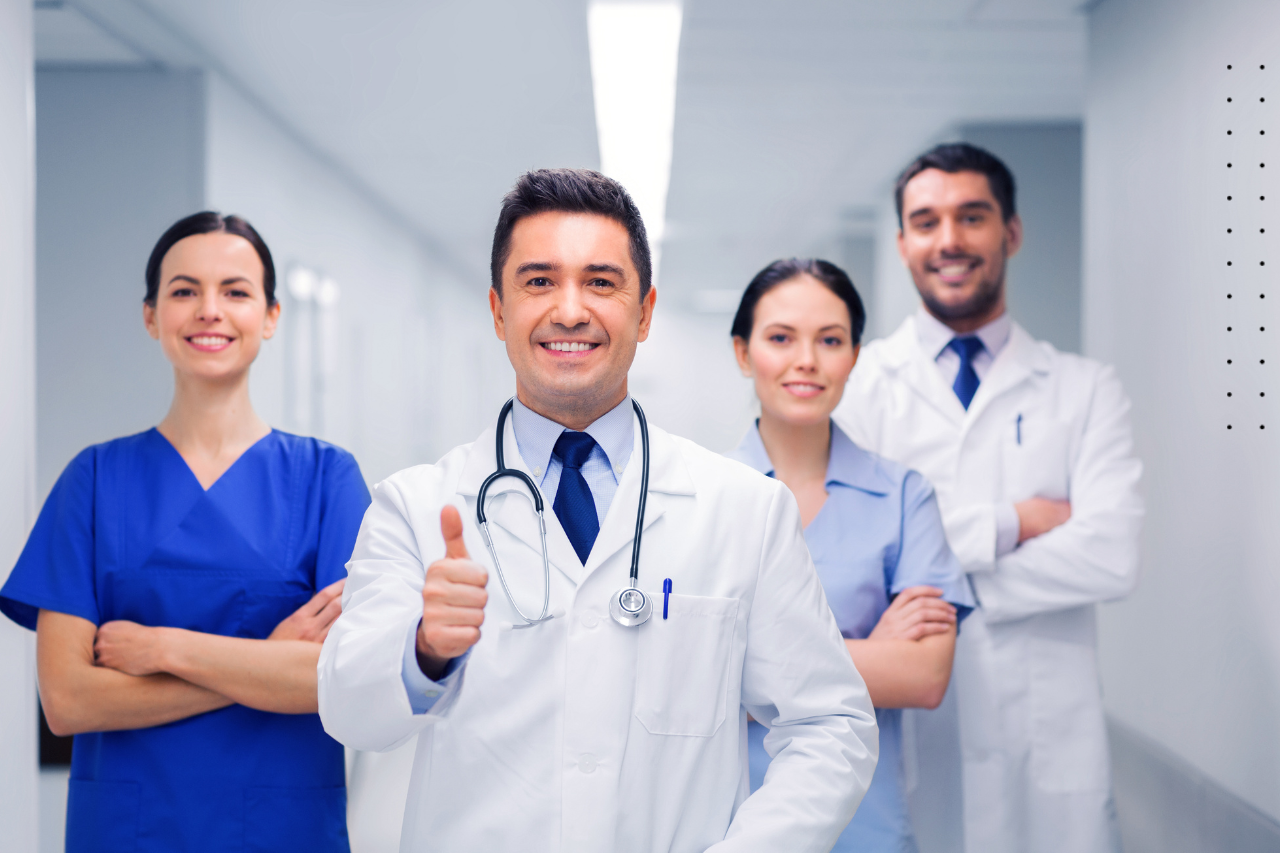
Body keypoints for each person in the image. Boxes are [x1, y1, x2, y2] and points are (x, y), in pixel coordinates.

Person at [318, 168, 878, 852]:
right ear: (498, 311)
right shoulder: (415, 506)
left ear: (644, 312)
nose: (571, 309)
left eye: (602, 282)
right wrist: (425, 649)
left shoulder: (745, 511)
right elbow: (349, 712)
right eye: (539, 281)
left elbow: (831, 726)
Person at [0, 212, 371, 853]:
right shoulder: (93, 480)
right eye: (183, 291)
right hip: (127, 831)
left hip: (280, 830)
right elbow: (66, 699)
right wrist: (263, 660)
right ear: (150, 316)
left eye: (235, 290)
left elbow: (332, 677)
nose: (209, 310)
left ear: (272, 315)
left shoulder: (326, 479)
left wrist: (163, 648)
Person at [834, 143, 1144, 853]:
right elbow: (855, 562)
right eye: (927, 220)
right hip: (912, 746)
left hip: (1048, 747)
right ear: (903, 241)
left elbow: (1110, 556)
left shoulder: (1084, 389)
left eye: (971, 216)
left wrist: (933, 574)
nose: (949, 239)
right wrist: (1016, 522)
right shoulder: (862, 385)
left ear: (1011, 231)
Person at [726, 258, 974, 853]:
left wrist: (751, 670)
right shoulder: (703, 499)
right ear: (743, 352)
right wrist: (877, 652)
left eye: (830, 340)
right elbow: (685, 677)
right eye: (781, 337)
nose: (806, 359)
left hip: (866, 822)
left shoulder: (903, 496)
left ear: (854, 357)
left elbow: (924, 675)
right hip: (732, 822)